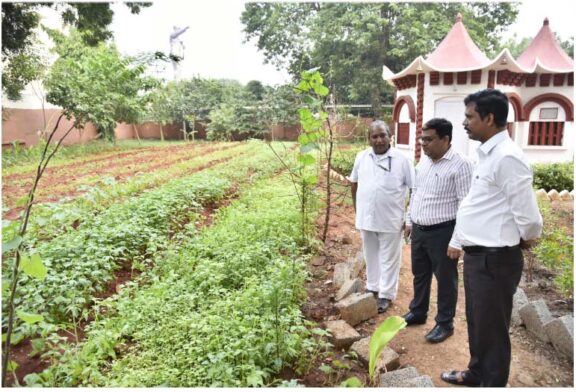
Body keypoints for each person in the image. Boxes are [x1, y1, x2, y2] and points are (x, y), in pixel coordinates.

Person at [441, 89, 543, 387]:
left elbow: (529, 218)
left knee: (492, 329)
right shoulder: (487, 154)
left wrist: (522, 238)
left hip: (495, 259)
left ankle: (492, 382)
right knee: (478, 322)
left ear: (489, 118)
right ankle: (477, 373)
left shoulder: (508, 158)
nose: (464, 123)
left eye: (470, 117)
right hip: (479, 257)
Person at [403, 118, 473, 343]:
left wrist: (457, 241)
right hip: (420, 230)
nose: (423, 143)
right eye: (422, 139)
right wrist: (409, 220)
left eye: (429, 139)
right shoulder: (424, 162)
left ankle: (445, 323)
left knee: (445, 280)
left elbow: (465, 204)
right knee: (419, 274)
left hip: (443, 232)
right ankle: (418, 311)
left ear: (445, 139)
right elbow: (416, 193)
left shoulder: (461, 164)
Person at [349, 120, 414, 313]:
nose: (379, 140)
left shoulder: (402, 160)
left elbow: (414, 189)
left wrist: (409, 219)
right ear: (368, 139)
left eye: (382, 135)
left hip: (391, 219)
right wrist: (357, 209)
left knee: (389, 258)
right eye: (374, 136)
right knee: (370, 255)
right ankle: (372, 287)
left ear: (390, 136)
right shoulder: (361, 157)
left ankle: (386, 295)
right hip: (366, 219)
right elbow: (354, 183)